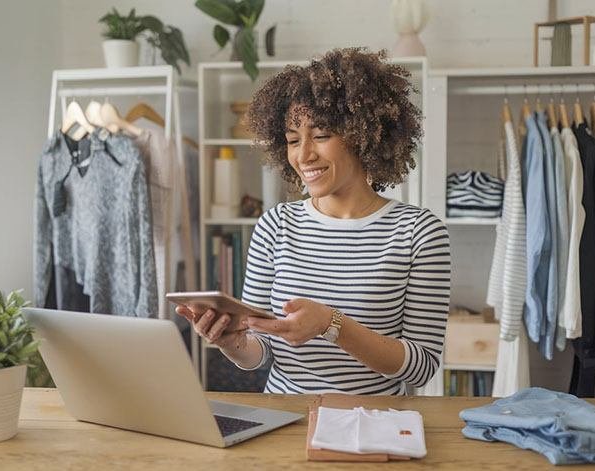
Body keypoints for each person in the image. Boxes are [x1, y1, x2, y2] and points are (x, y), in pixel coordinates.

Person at [176, 48, 451, 395]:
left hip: (375, 422)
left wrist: (331, 324)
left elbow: (422, 367)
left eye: (321, 136)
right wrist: (231, 341)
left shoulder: (419, 232)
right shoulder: (275, 225)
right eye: (293, 140)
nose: (303, 155)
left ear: (364, 135)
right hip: (285, 419)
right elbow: (261, 353)